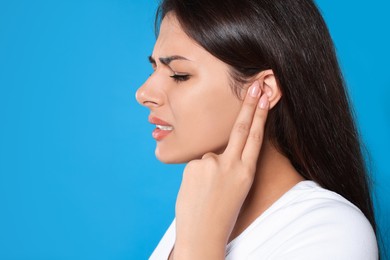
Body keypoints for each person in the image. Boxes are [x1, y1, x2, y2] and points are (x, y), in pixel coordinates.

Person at [135, 0, 379, 259]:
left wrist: (199, 246)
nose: (143, 93)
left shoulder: (332, 231)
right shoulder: (202, 207)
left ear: (263, 90)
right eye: (154, 68)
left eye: (179, 74)